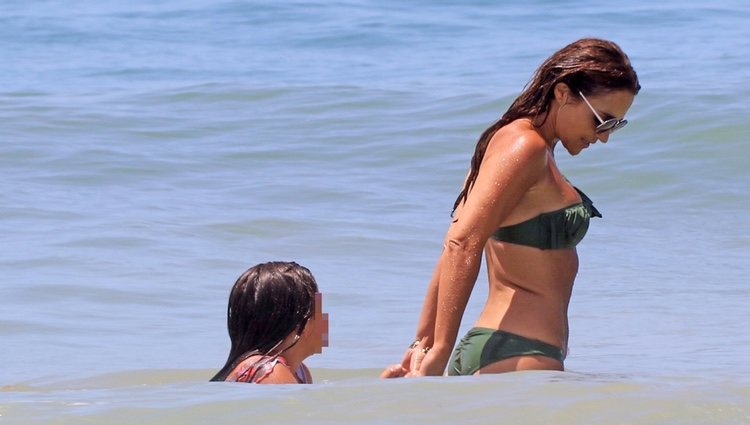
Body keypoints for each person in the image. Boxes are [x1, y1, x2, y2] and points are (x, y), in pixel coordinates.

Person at [382, 38, 640, 378]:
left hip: (512, 352)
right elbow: (461, 242)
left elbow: (452, 243)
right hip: (517, 353)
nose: (604, 137)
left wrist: (423, 342)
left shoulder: (521, 146)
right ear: (563, 93)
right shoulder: (524, 146)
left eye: (615, 126)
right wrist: (439, 349)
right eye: (602, 120)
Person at [211, 261, 328, 384]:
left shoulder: (300, 371)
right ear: (301, 322)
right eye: (319, 310)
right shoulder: (271, 372)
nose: (325, 319)